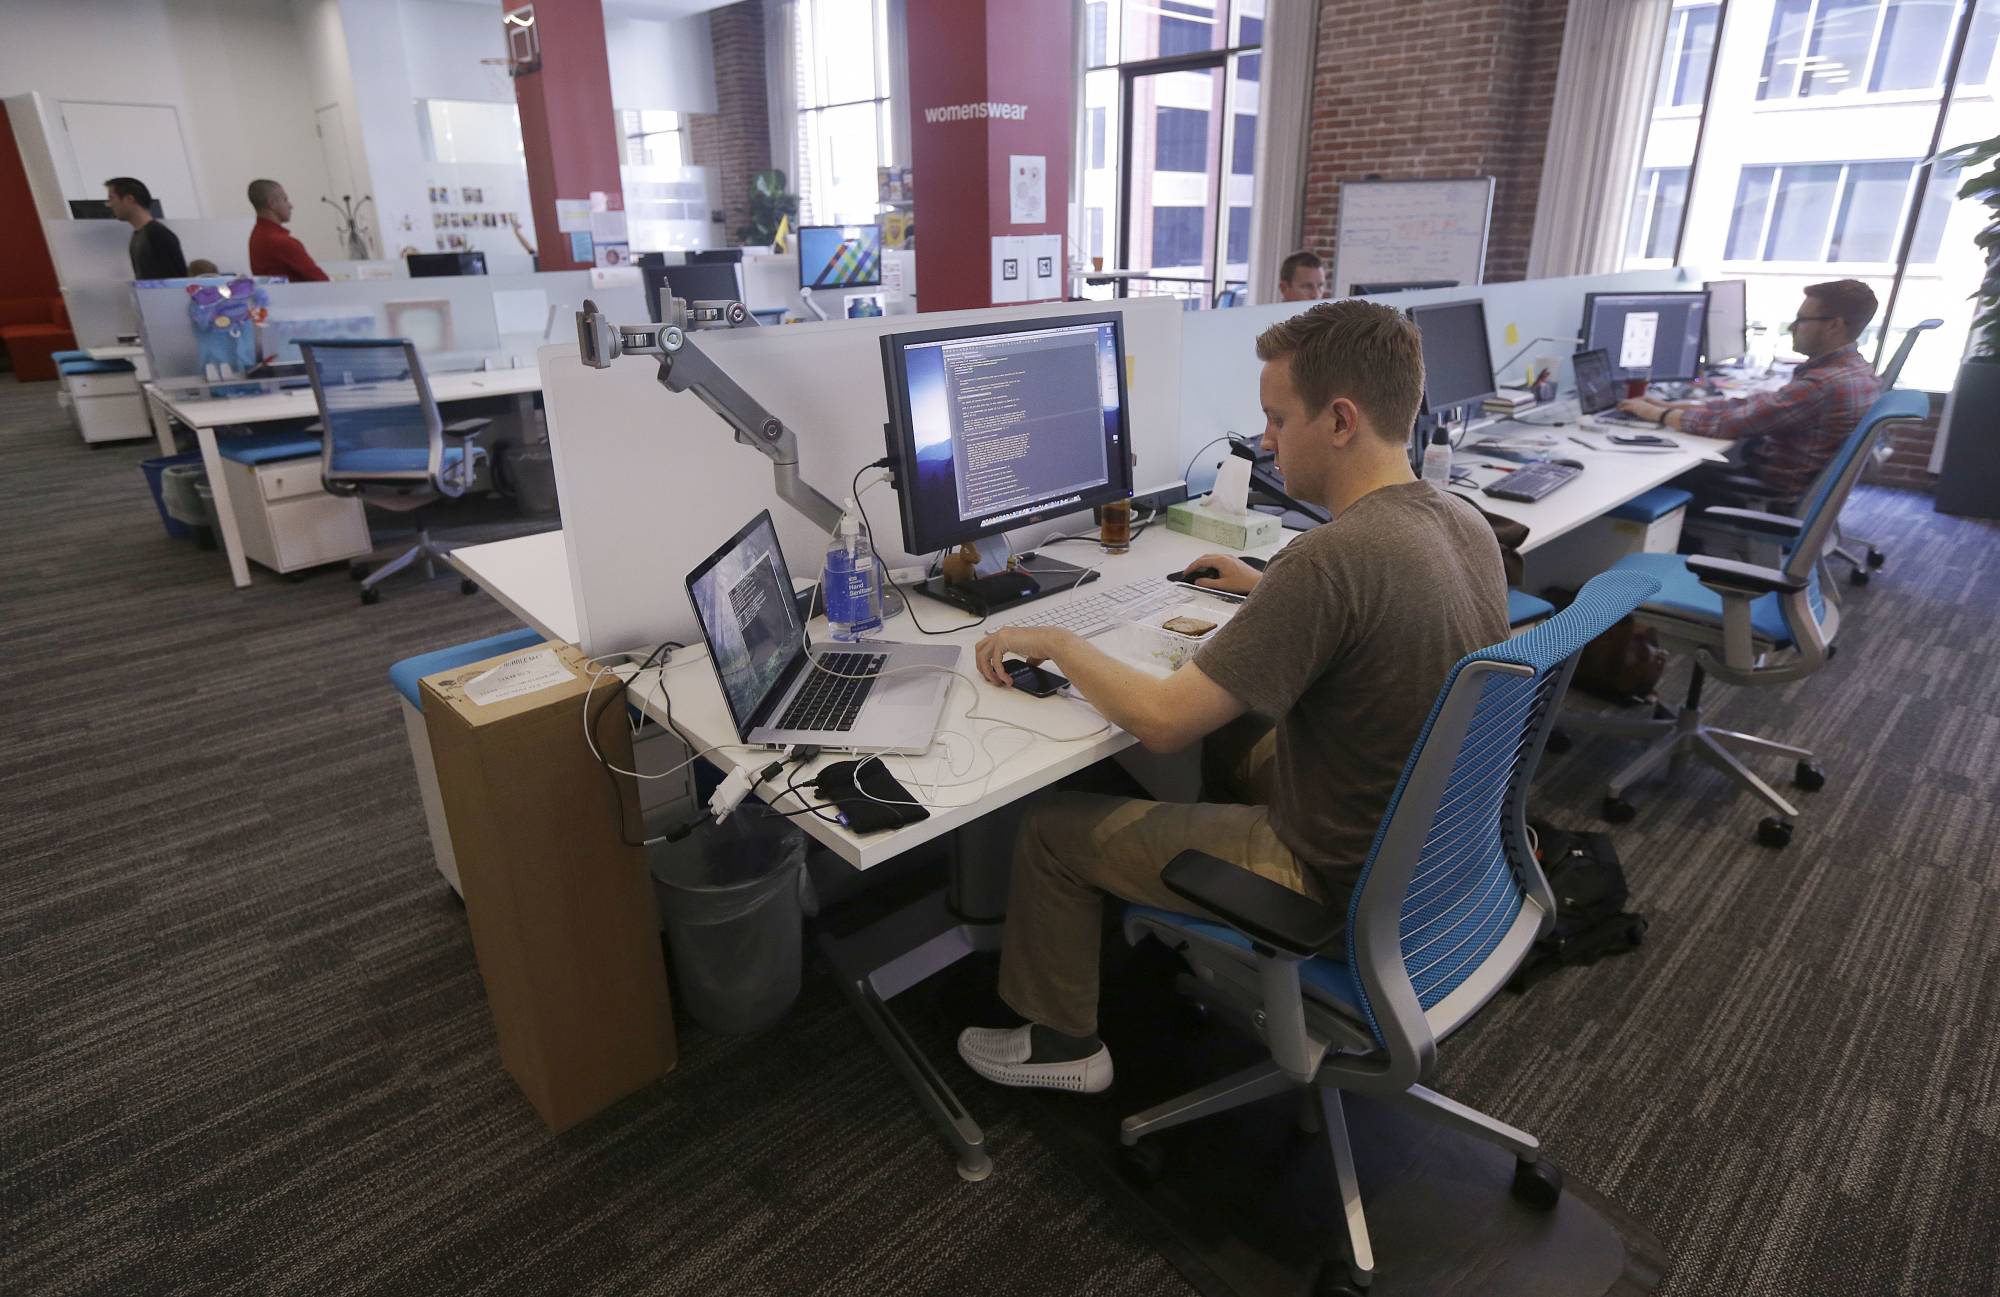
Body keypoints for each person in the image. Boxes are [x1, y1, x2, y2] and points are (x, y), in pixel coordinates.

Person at [955, 300, 1509, 1093]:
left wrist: (1061, 642)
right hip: (1429, 851)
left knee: (1047, 829)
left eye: (1278, 418)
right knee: (1240, 724)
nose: (1267, 441)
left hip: (1334, 875)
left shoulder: (1330, 560)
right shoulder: (1462, 520)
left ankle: (1062, 1044)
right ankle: (1219, 925)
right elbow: (1370, 617)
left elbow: (1160, 723)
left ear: (1342, 420)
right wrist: (1265, 588)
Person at [1616, 279, 1883, 503]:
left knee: (1658, 479)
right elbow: (1762, 405)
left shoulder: (1822, 384)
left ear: (1834, 325)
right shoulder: (1855, 369)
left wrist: (1655, 414)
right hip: (1799, 488)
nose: (1792, 327)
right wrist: (1672, 408)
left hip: (1770, 495)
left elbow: (1731, 425)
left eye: (1802, 319)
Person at [246, 180, 330, 282]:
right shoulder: (283, 243)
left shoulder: (256, 236)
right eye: (285, 200)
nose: (290, 206)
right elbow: (323, 281)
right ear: (272, 204)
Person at [105, 178, 187, 280]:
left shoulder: (158, 234)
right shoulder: (137, 236)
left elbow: (178, 281)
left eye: (112, 198)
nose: (109, 204)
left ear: (129, 199)